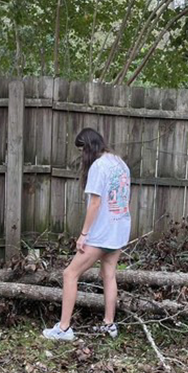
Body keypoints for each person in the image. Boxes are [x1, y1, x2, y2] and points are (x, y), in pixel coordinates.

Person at [43, 128, 131, 342]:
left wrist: (84, 234)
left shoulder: (98, 166)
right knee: (109, 274)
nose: (81, 155)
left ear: (88, 147)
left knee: (69, 274)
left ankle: (63, 328)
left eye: (82, 150)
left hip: (102, 233)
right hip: (120, 229)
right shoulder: (119, 162)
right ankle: (109, 324)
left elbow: (95, 203)